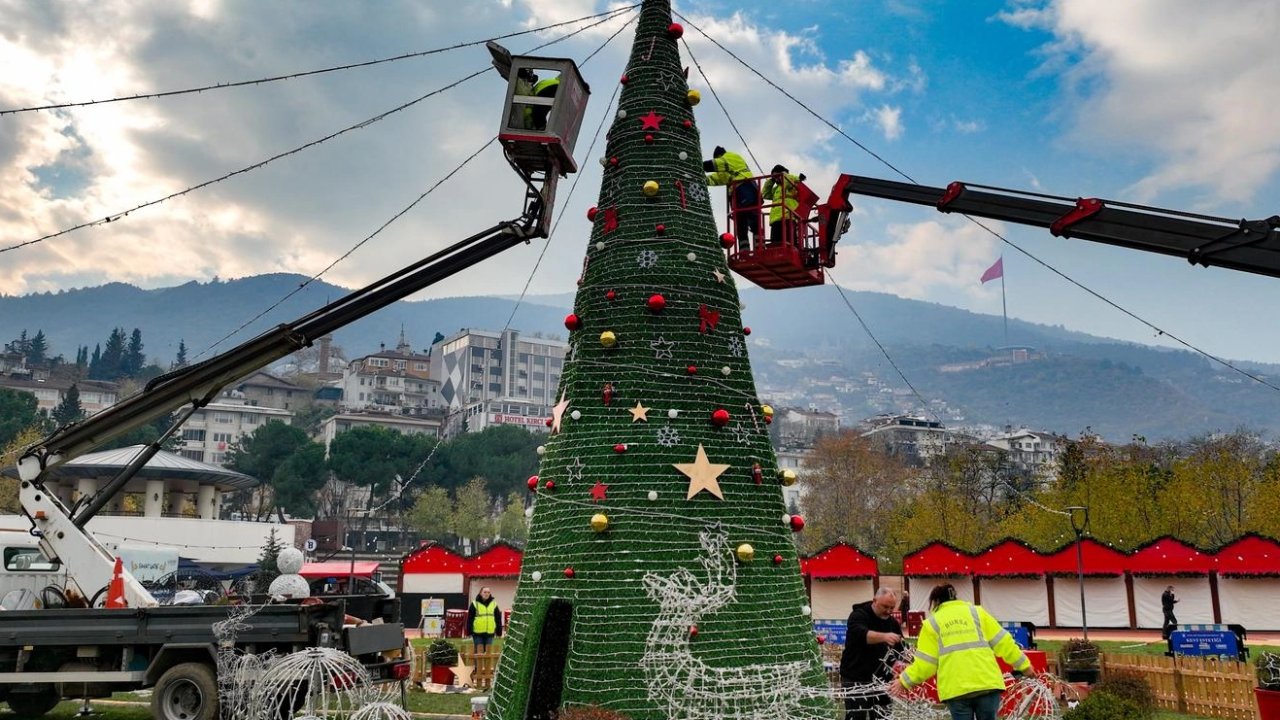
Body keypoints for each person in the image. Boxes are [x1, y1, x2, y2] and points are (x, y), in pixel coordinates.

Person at [896, 584, 1032, 720]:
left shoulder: (931, 624)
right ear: (955, 597)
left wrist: (904, 680)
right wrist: (1025, 666)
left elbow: (926, 664)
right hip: (987, 684)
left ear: (935, 602)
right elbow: (1004, 642)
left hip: (956, 691)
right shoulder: (977, 613)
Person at [840, 587, 904, 720]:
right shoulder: (858, 615)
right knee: (856, 716)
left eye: (892, 608)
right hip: (855, 678)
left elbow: (900, 650)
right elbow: (862, 635)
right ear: (874, 601)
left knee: (883, 717)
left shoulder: (893, 623)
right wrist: (884, 637)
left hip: (882, 680)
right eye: (885, 606)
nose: (888, 611)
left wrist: (903, 664)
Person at [704, 146, 760, 249]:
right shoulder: (729, 169)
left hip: (745, 188)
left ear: (720, 156)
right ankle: (745, 249)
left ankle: (758, 246)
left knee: (752, 218)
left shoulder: (731, 156)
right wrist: (702, 179)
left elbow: (714, 164)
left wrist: (698, 166)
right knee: (741, 223)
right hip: (742, 192)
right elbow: (718, 178)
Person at [761, 164, 802, 246]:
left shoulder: (791, 183)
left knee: (789, 244)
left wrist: (784, 175)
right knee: (776, 245)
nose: (776, 179)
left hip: (788, 217)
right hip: (775, 219)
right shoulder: (776, 189)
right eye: (774, 177)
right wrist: (771, 180)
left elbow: (794, 179)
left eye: (777, 176)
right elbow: (765, 194)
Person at [468, 586, 503, 654]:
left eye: (488, 592)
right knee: (479, 652)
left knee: (488, 652)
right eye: (485, 592)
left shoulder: (494, 604)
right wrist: (469, 632)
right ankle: (477, 665)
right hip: (477, 633)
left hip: (490, 633)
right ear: (480, 593)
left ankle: (486, 665)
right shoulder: (474, 604)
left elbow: (498, 618)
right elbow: (470, 619)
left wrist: (499, 632)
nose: (486, 594)